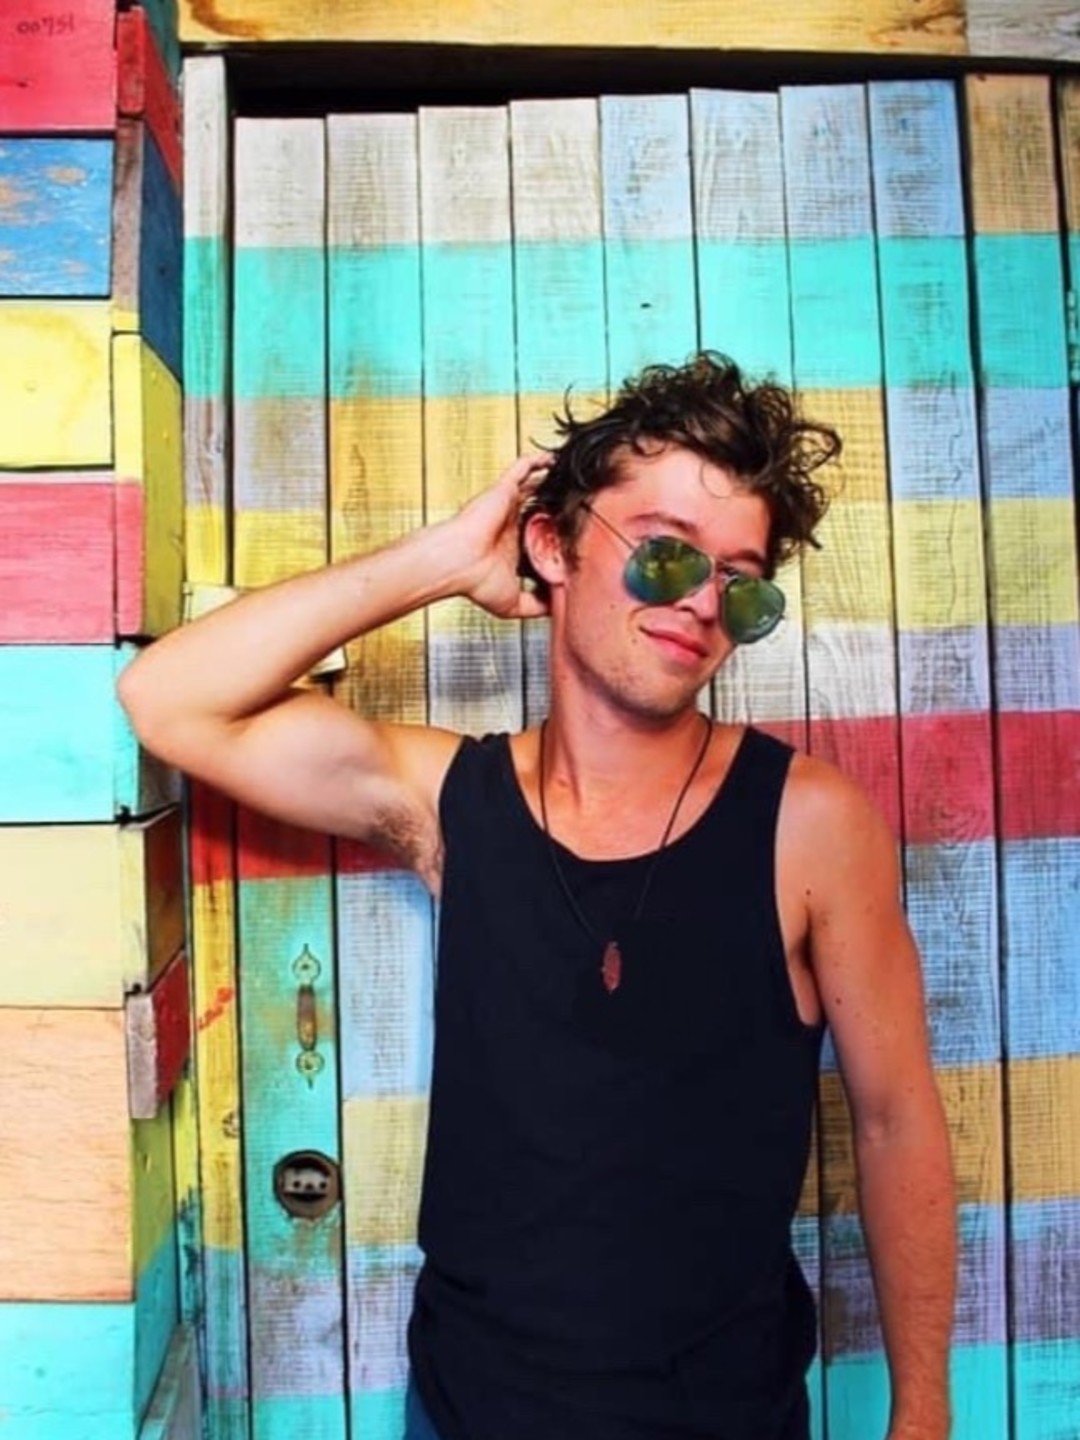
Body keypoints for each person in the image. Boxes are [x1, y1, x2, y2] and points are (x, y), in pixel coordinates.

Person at [119, 353, 956, 1440]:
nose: (702, 603)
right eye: (664, 555)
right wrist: (441, 560)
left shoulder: (811, 825)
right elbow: (169, 701)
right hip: (469, 1410)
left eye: (741, 584)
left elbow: (895, 1121)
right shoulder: (452, 801)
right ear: (555, 546)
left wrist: (923, 1413)